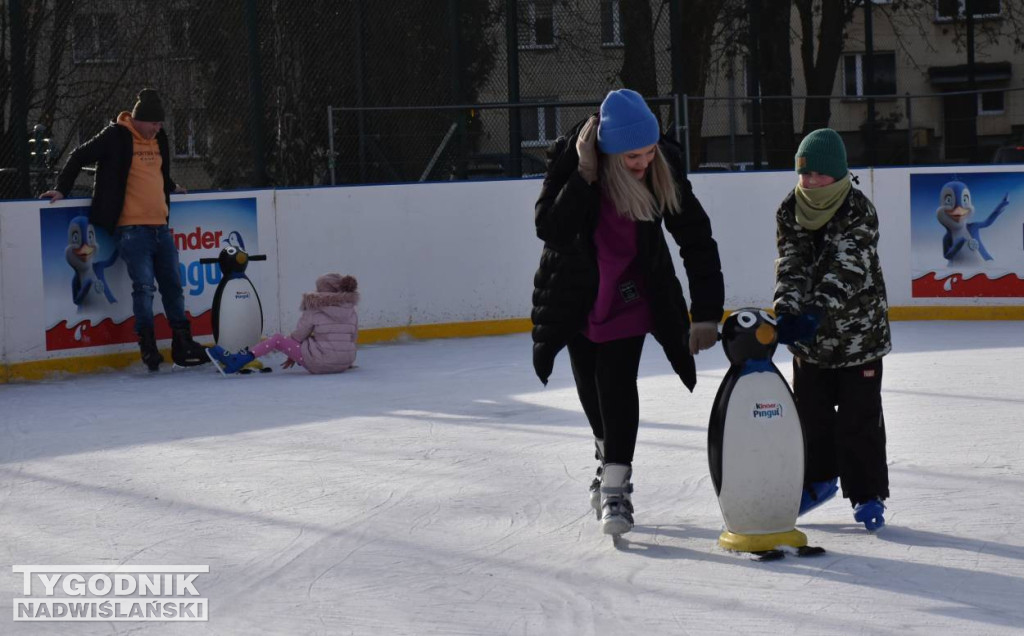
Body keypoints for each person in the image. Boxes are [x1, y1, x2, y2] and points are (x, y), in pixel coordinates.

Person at [531, 89, 725, 537]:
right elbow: (552, 230)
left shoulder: (663, 170)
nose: (642, 162)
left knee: (615, 384)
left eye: (649, 151)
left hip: (633, 295)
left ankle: (617, 487)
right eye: (632, 156)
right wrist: (582, 176)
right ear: (608, 151)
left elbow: (696, 239)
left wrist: (706, 313)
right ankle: (605, 455)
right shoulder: (573, 161)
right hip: (578, 296)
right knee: (589, 391)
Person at [773, 128, 892, 531]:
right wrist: (786, 311)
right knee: (811, 415)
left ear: (836, 174)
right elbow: (792, 263)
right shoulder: (790, 210)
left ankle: (868, 494)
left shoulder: (859, 210)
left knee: (860, 419)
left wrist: (816, 311)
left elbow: (849, 267)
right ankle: (818, 479)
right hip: (812, 343)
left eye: (816, 175)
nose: (807, 182)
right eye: (802, 175)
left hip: (860, 337)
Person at [40, 88, 208, 371]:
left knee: (173, 286)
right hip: (131, 229)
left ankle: (183, 341)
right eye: (154, 123)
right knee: (143, 287)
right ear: (140, 120)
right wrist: (61, 189)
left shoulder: (159, 139)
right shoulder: (116, 136)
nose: (159, 128)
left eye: (160, 124)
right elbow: (78, 156)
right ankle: (148, 346)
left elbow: (158, 173)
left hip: (160, 227)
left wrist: (171, 186)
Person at [207, 273, 359, 375]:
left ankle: (238, 360)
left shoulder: (315, 307)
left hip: (319, 363)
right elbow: (352, 338)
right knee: (313, 340)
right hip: (344, 363)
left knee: (278, 339)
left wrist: (293, 352)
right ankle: (239, 359)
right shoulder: (351, 310)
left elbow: (298, 336)